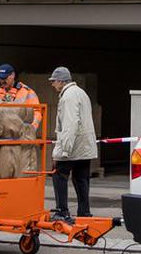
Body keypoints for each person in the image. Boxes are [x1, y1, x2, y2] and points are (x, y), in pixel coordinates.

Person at [48, 67, 96, 223]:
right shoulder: (81, 93)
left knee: (59, 175)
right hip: (85, 146)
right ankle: (84, 212)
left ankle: (62, 211)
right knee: (81, 178)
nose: (52, 84)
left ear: (61, 81)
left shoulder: (68, 96)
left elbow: (70, 124)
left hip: (73, 145)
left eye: (54, 81)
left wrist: (63, 151)